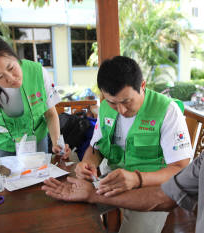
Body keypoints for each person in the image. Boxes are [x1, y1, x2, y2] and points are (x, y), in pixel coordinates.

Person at [43, 16, 204, 233]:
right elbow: (165, 196)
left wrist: (134, 179)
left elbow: (170, 179)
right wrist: (91, 193)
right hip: (111, 183)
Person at [74, 56, 193, 233]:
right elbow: (96, 148)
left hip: (151, 189)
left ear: (142, 86)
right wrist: (88, 164)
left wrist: (137, 179)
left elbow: (180, 169)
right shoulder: (105, 107)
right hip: (110, 181)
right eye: (113, 102)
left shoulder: (166, 111)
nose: (121, 110)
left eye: (126, 101)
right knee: (71, 212)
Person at [0, 33, 70, 158]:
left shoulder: (37, 72)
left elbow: (50, 114)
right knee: (0, 176)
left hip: (35, 141)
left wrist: (56, 143)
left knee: (39, 176)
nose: (11, 78)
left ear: (14, 56)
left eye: (11, 67)